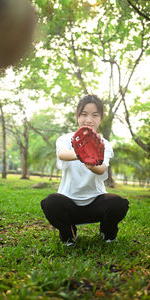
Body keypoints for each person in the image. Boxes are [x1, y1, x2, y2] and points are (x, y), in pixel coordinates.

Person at [41, 94, 129, 247]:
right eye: (84, 114)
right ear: (77, 116)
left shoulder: (105, 144)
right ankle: (69, 234)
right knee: (50, 202)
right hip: (69, 203)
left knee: (119, 203)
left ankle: (107, 232)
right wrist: (83, 154)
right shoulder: (65, 139)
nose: (89, 120)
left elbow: (101, 169)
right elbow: (62, 154)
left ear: (100, 118)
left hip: (96, 202)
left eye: (95, 115)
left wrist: (91, 163)